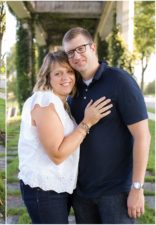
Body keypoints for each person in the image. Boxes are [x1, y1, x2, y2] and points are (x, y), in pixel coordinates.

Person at [62, 27, 151, 224]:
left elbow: (143, 136)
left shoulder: (120, 81)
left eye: (80, 48)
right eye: (70, 52)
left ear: (93, 47)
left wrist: (137, 188)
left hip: (116, 193)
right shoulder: (72, 89)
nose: (76, 56)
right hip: (82, 192)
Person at [18, 51, 113, 224]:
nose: (65, 77)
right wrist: (87, 122)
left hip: (57, 187)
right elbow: (57, 154)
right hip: (44, 189)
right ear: (48, 77)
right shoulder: (45, 101)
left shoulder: (61, 102)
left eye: (69, 72)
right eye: (58, 73)